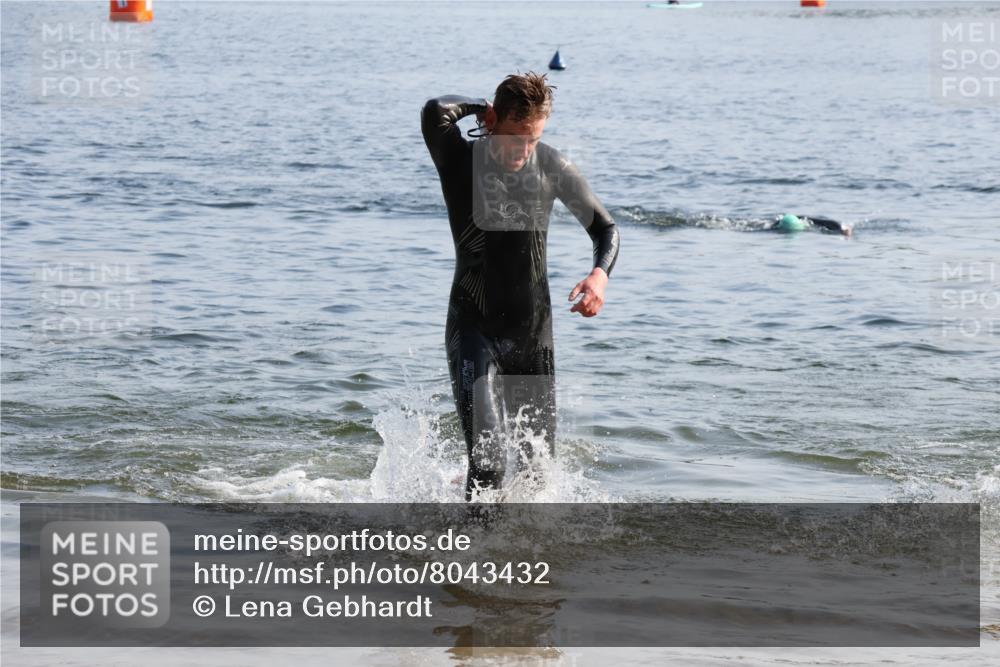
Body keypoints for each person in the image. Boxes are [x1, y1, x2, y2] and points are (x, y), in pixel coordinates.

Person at [420, 72, 620, 501]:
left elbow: (606, 230)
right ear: (493, 121)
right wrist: (480, 106)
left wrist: (599, 275)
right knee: (489, 462)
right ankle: (472, 557)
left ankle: (520, 559)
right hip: (475, 328)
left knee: (535, 475)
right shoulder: (460, 160)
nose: (523, 151)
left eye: (532, 140)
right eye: (515, 138)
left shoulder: (550, 165)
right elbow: (435, 111)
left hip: (533, 336)